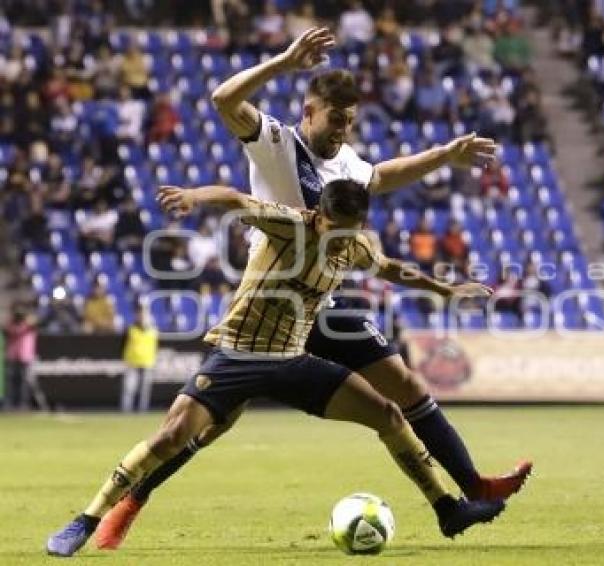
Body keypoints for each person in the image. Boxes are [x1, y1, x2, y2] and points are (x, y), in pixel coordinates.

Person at [93, 28, 531, 550]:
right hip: (272, 301)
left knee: (404, 388)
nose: (343, 130)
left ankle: (469, 490)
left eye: (350, 121)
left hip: (325, 299)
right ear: (309, 111)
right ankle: (130, 502)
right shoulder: (276, 141)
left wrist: (443, 155)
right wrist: (283, 60)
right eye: (335, 118)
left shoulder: (348, 165)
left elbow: (383, 175)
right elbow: (223, 99)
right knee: (209, 427)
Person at [46, 181, 505, 557]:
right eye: (331, 227)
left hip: (291, 360)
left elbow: (389, 268)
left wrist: (443, 290)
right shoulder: (288, 225)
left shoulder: (353, 246)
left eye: (347, 231)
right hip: (237, 356)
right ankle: (85, 520)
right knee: (171, 437)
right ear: (317, 215)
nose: (336, 238)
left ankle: (448, 509)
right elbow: (235, 198)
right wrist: (192, 197)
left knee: (388, 414)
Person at [121, 304, 158, 413]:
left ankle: (142, 411)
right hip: (132, 362)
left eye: (144, 313)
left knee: (144, 390)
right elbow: (123, 345)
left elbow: (155, 347)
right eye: (140, 313)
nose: (142, 316)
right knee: (129, 388)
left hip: (147, 362)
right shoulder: (130, 329)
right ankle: (126, 411)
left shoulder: (153, 330)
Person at [3, 305, 38, 411]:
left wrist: (26, 320)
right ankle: (9, 403)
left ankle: (23, 404)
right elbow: (7, 330)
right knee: (10, 382)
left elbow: (34, 323)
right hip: (12, 356)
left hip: (25, 357)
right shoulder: (11, 325)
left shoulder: (29, 325)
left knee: (24, 382)